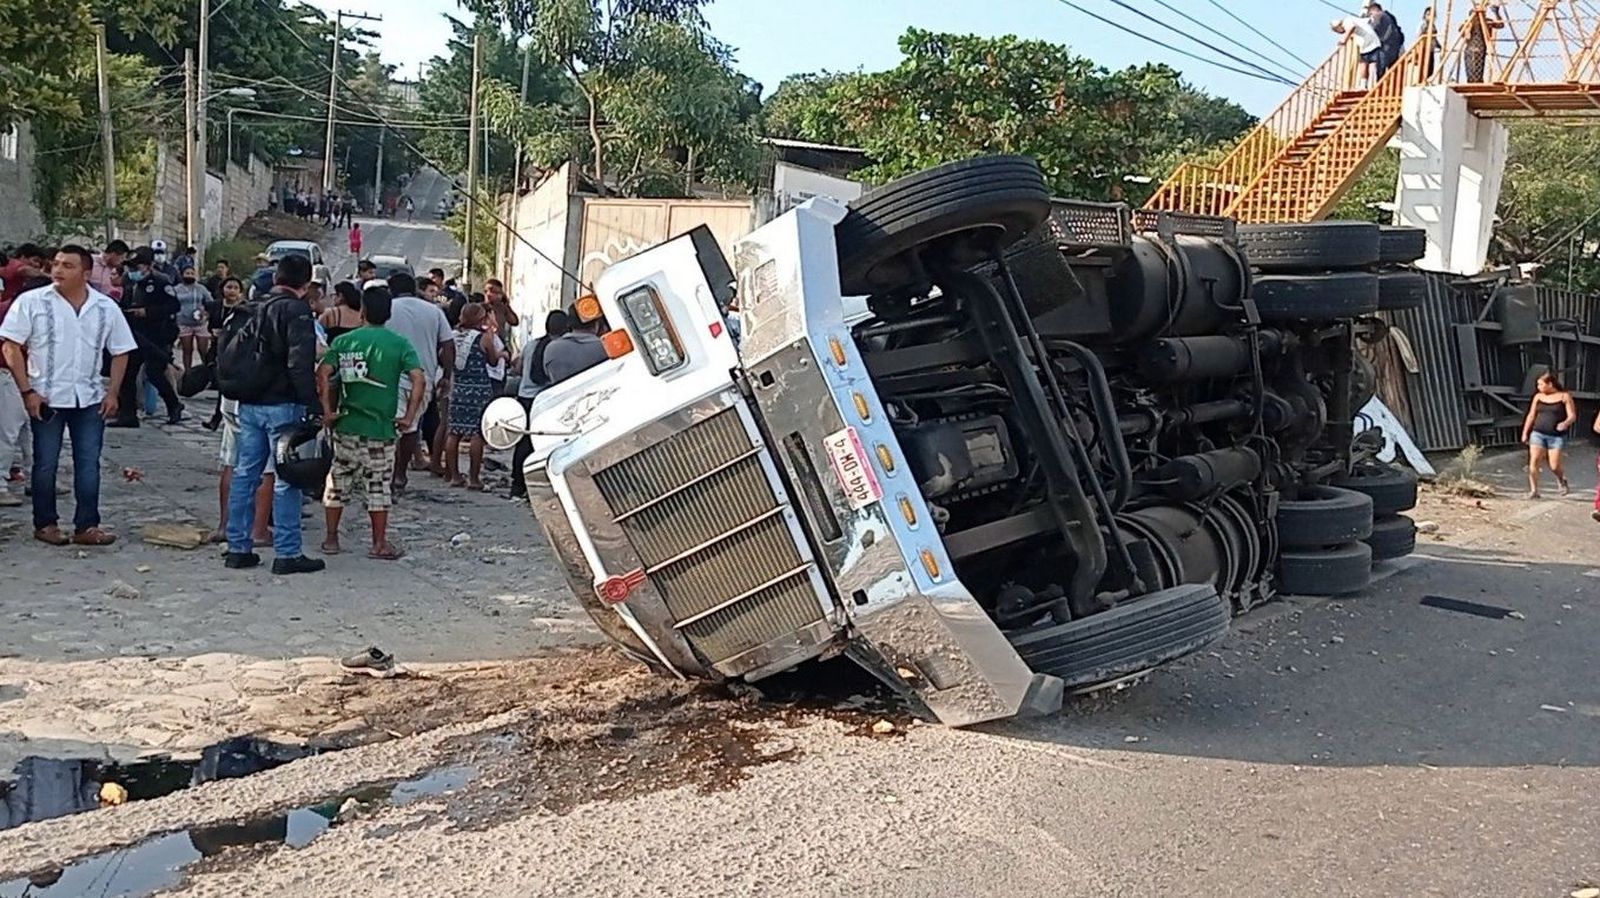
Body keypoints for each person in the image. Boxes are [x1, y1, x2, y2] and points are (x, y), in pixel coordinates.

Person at [0, 246, 137, 546]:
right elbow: (10, 345)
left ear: (86, 273)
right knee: (45, 463)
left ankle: (87, 525)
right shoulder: (32, 302)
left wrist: (113, 392)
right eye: (56, 264)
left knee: (88, 463)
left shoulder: (104, 307)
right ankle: (45, 523)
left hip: (88, 397)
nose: (58, 270)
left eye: (68, 266)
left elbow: (121, 350)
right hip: (46, 396)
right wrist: (27, 390)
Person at [218, 253, 324, 575]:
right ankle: (288, 553)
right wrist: (313, 405)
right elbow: (299, 363)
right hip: (282, 404)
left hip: (249, 403)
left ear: (277, 277)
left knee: (245, 473)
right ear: (305, 283)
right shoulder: (296, 311)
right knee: (287, 477)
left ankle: (238, 547)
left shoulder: (252, 307)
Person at [317, 287, 425, 559]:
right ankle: (378, 543)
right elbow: (418, 379)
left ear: (362, 311)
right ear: (388, 314)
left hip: (346, 425)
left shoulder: (344, 341)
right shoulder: (399, 344)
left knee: (338, 481)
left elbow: (324, 372)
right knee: (378, 486)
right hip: (381, 428)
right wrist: (409, 416)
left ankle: (331, 539)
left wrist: (328, 410)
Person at [210, 277, 275, 545]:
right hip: (258, 400)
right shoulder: (272, 319)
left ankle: (225, 526)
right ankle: (258, 530)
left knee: (231, 462)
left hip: (231, 397)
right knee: (266, 468)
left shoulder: (234, 317)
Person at [383, 272, 453, 492]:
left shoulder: (387, 309)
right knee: (411, 426)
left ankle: (387, 472)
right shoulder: (434, 311)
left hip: (390, 377)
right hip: (424, 378)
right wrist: (446, 376)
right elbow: (448, 345)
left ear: (391, 290)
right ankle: (400, 473)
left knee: (389, 426)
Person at [112, 247, 184, 426]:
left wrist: (148, 312)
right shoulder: (129, 280)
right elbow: (126, 302)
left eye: (137, 267)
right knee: (127, 373)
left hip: (157, 335)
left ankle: (174, 404)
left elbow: (173, 306)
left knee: (155, 373)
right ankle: (127, 414)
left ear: (149, 266)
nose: (133, 270)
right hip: (135, 333)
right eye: (130, 267)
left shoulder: (161, 281)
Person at [509, 309, 569, 499]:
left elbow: (519, 369)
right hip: (545, 400)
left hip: (525, 398)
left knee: (523, 443)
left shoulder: (531, 345)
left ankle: (517, 484)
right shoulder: (560, 348)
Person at [444, 303, 501, 490]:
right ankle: (474, 478)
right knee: (477, 434)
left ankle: (454, 476)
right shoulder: (483, 337)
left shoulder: (453, 336)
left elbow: (444, 357)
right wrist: (501, 354)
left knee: (454, 432)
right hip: (479, 390)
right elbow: (492, 361)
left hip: (458, 388)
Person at [1521, 371, 1576, 499]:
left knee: (1554, 465)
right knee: (1534, 461)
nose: (1538, 387)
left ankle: (1561, 479)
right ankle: (1534, 491)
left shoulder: (1564, 396)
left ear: (1550, 384)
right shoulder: (1538, 397)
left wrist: (1565, 423)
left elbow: (1572, 415)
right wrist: (1525, 432)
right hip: (1538, 433)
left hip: (1556, 436)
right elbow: (1531, 415)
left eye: (1541, 384)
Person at [543, 304, 611, 384]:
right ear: (597, 324)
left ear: (569, 324)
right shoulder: (606, 347)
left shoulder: (550, 350)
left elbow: (547, 375)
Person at [175, 265, 213, 371]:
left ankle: (207, 372)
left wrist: (206, 313)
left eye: (192, 273)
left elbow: (210, 302)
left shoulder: (201, 288)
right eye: (187, 273)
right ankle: (188, 373)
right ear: (182, 275)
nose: (190, 275)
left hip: (200, 323)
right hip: (183, 323)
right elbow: (171, 303)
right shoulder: (177, 289)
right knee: (187, 350)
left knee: (203, 350)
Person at [1332, 15, 1384, 87]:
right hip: (1371, 43)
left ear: (1338, 27)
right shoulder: (1354, 19)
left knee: (1367, 63)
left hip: (1368, 44)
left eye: (1337, 31)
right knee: (1365, 63)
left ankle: (1367, 84)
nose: (1340, 33)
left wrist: (1344, 40)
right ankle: (1367, 84)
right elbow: (1368, 20)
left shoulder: (1347, 22)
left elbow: (1351, 27)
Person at [1365, 3, 1404, 80]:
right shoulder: (1389, 16)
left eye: (1370, 13)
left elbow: (1373, 30)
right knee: (1394, 69)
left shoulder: (1379, 16)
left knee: (1381, 70)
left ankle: (1381, 85)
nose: (1370, 16)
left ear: (1374, 10)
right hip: (1395, 47)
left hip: (1386, 47)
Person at [483, 278, 519, 346]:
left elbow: (514, 322)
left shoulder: (503, 308)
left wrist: (506, 304)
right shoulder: (479, 308)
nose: (488, 294)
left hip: (500, 343)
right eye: (486, 291)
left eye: (492, 291)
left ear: (500, 294)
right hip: (484, 344)